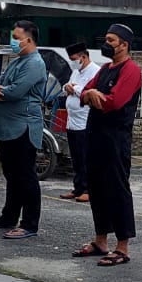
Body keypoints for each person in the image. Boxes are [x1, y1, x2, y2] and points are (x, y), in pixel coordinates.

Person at [74, 24, 142, 267]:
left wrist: (95, 96)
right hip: (95, 135)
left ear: (124, 44)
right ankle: (100, 240)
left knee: (117, 188)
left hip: (116, 138)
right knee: (97, 187)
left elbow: (115, 102)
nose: (107, 44)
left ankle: (122, 246)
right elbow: (83, 93)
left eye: (111, 40)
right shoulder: (104, 69)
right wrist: (91, 94)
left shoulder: (131, 70)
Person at [0, 20, 47, 240]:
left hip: (23, 127)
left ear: (28, 40)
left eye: (16, 38)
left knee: (25, 176)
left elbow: (14, 92)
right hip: (7, 126)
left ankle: (29, 223)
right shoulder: (16, 61)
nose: (13, 41)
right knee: (12, 175)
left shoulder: (35, 63)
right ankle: (8, 217)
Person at [60, 42, 101, 204]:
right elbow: (67, 86)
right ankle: (78, 187)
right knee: (76, 158)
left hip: (85, 122)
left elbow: (90, 93)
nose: (72, 63)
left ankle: (88, 189)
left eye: (74, 59)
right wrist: (68, 87)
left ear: (83, 57)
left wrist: (76, 89)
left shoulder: (95, 72)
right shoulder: (76, 72)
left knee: (86, 158)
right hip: (72, 121)